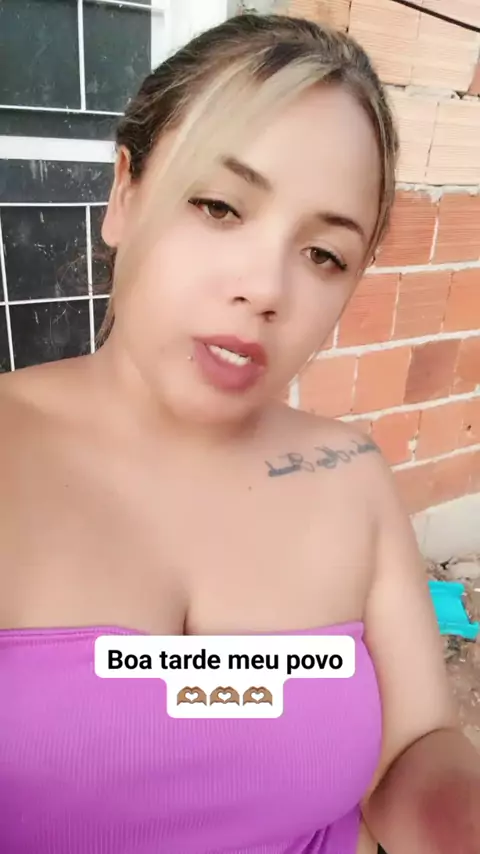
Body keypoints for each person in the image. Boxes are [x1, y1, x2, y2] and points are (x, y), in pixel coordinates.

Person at [0, 12, 479, 854]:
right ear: (125, 194)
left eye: (324, 255)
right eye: (220, 205)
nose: (266, 288)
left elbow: (416, 748)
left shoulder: (349, 474)